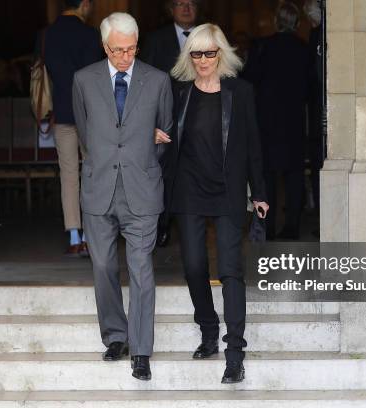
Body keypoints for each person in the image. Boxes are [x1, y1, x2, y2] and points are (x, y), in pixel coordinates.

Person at [158, 23, 268, 384]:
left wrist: (260, 192)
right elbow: (165, 132)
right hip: (188, 190)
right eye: (196, 53)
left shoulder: (241, 92)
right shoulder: (179, 93)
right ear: (188, 57)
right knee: (192, 265)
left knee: (231, 270)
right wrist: (157, 135)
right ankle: (207, 327)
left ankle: (234, 352)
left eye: (209, 53)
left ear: (221, 53)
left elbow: (253, 145)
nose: (203, 60)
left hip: (228, 190)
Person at [72, 12, 173, 381]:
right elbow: (87, 133)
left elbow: (165, 133)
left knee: (142, 269)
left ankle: (141, 349)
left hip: (142, 190)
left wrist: (139, 155)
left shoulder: (158, 80)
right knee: (101, 267)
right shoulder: (82, 80)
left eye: (130, 49)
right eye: (117, 50)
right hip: (99, 188)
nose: (125, 57)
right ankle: (115, 336)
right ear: (104, 46)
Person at [243, 2, 312, 240]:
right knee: (294, 176)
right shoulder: (304, 49)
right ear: (296, 22)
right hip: (293, 121)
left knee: (268, 177)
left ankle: (268, 226)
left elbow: (249, 78)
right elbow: (310, 87)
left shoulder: (262, 47)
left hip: (267, 122)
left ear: (275, 21)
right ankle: (292, 226)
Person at [42, 0, 102, 255]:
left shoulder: (48, 33)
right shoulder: (89, 34)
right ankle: (91, 233)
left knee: (68, 175)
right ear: (85, 5)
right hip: (89, 114)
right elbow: (94, 74)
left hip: (63, 110)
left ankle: (74, 237)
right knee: (92, 172)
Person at [141, 0, 200, 247]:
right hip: (166, 119)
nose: (186, 8)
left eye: (191, 3)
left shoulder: (206, 36)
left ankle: (193, 224)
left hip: (200, 118)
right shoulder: (156, 40)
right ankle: (162, 225)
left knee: (197, 172)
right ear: (170, 9)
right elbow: (144, 80)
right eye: (180, 3)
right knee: (165, 174)